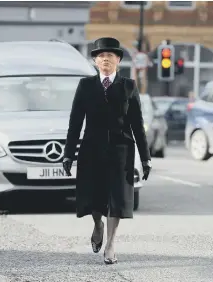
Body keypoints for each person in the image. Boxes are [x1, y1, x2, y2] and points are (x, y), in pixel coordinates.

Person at [62, 37, 152, 264]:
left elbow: (137, 125)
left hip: (121, 150)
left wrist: (146, 158)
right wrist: (68, 153)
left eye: (110, 56)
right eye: (101, 56)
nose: (105, 59)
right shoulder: (85, 86)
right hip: (91, 149)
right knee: (95, 199)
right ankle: (97, 224)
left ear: (118, 61)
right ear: (95, 61)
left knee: (117, 199)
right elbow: (75, 123)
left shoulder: (129, 86)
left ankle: (111, 244)